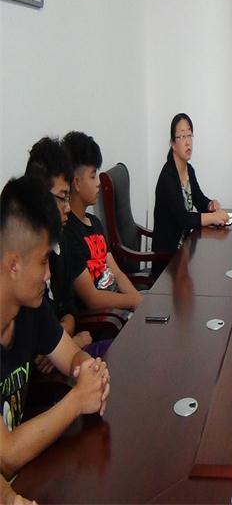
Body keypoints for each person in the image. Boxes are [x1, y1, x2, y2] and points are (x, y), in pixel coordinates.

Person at [0, 176, 110, 479]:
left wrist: (90, 371)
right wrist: (77, 400)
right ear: (13, 265)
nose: (49, 274)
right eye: (43, 261)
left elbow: (71, 355)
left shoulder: (29, 309)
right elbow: (6, 455)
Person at [25, 137, 97, 370]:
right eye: (62, 197)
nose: (67, 207)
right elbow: (34, 353)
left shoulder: (59, 242)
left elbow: (69, 309)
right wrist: (72, 340)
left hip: (63, 354)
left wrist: (61, 336)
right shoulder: (24, 260)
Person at [61, 131, 142, 312]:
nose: (98, 182)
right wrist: (132, 301)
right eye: (93, 176)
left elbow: (117, 274)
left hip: (119, 309)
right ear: (77, 183)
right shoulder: (69, 233)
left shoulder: (95, 223)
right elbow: (93, 299)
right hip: (104, 320)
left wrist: (139, 301)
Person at [153, 113, 228, 268]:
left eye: (189, 135)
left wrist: (210, 204)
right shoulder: (168, 177)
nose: (187, 142)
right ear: (173, 144)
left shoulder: (189, 170)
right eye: (182, 136)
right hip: (169, 261)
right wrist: (213, 217)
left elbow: (198, 199)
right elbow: (184, 219)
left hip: (186, 252)